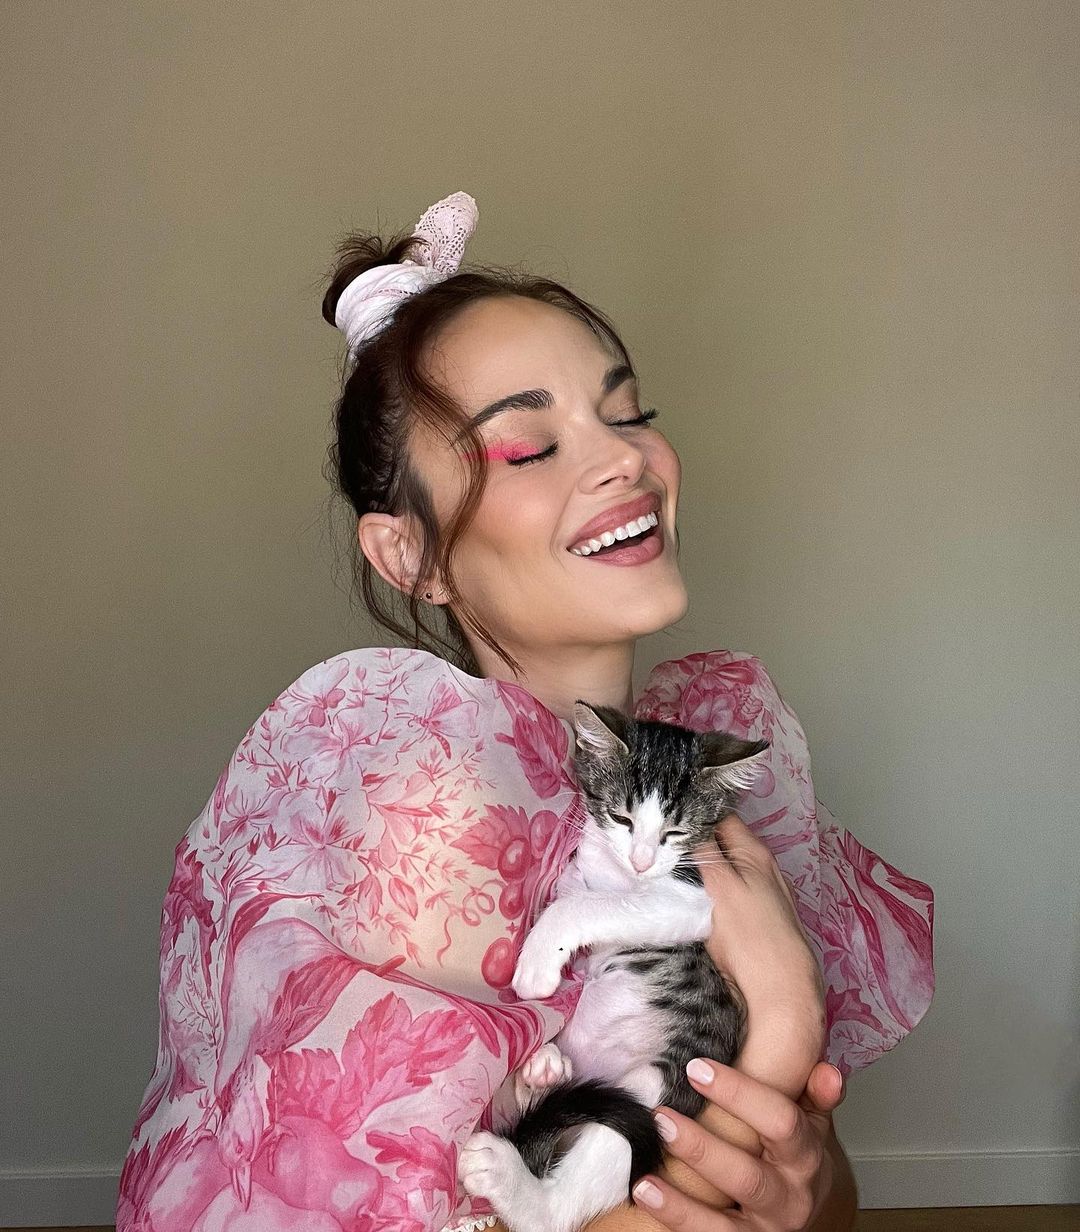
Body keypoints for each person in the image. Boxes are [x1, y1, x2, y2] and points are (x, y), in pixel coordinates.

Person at [118, 193, 933, 1232]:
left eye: (626, 413)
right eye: (527, 447)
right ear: (410, 554)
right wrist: (781, 1009)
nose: (625, 459)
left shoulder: (703, 764)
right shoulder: (431, 813)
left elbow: (814, 1183)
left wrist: (802, 1191)